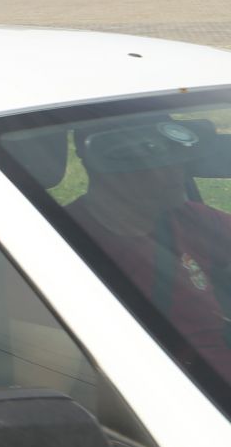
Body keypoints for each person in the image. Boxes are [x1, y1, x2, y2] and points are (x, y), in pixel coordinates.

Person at [65, 117, 231, 382]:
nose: (178, 168)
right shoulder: (64, 248)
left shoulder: (185, 217)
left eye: (175, 155)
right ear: (105, 167)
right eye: (153, 158)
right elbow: (59, 376)